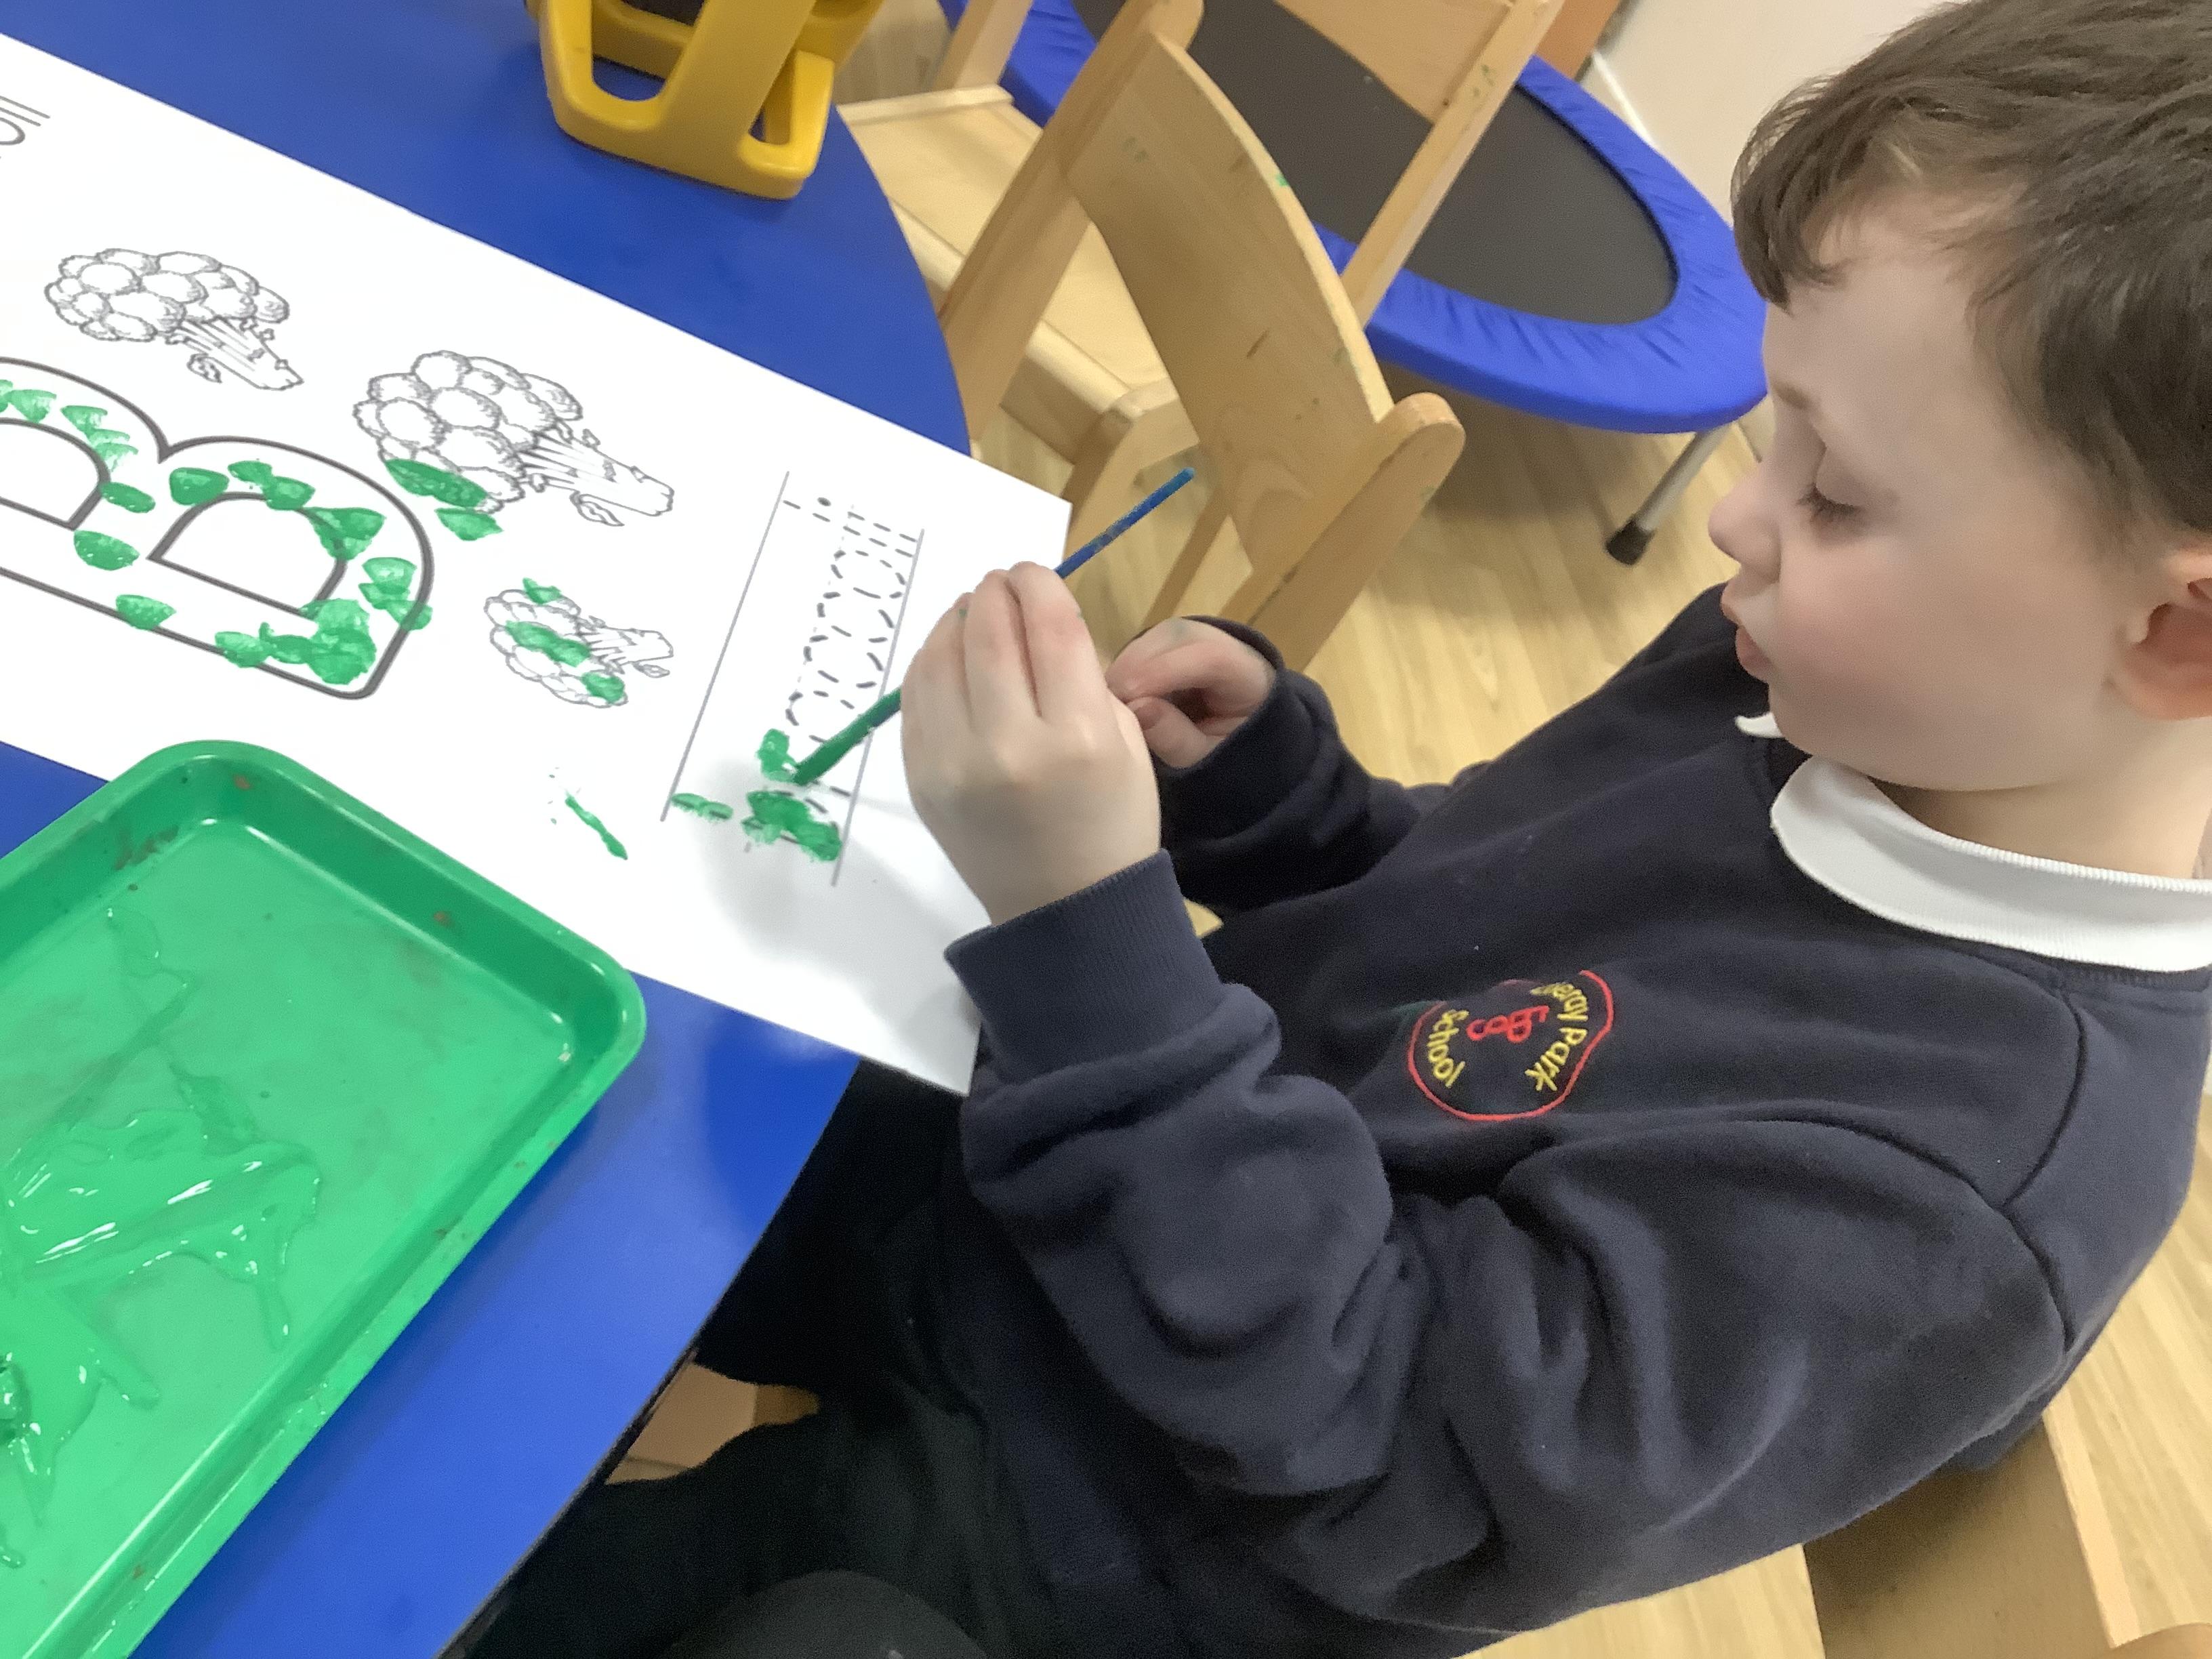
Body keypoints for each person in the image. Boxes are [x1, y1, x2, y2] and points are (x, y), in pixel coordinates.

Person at [476, 1, 2212, 1654]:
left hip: (1106, 1544)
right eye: (1778, 444)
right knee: (542, 1136)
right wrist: (1272, 795)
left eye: (1834, 492)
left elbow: (1381, 1451)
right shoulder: (1827, 677)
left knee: (479, 1602)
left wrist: (1089, 935)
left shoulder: (1959, 1192)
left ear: (2177, 633)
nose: (1739, 526)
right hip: (1049, 1194)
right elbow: (1481, 931)